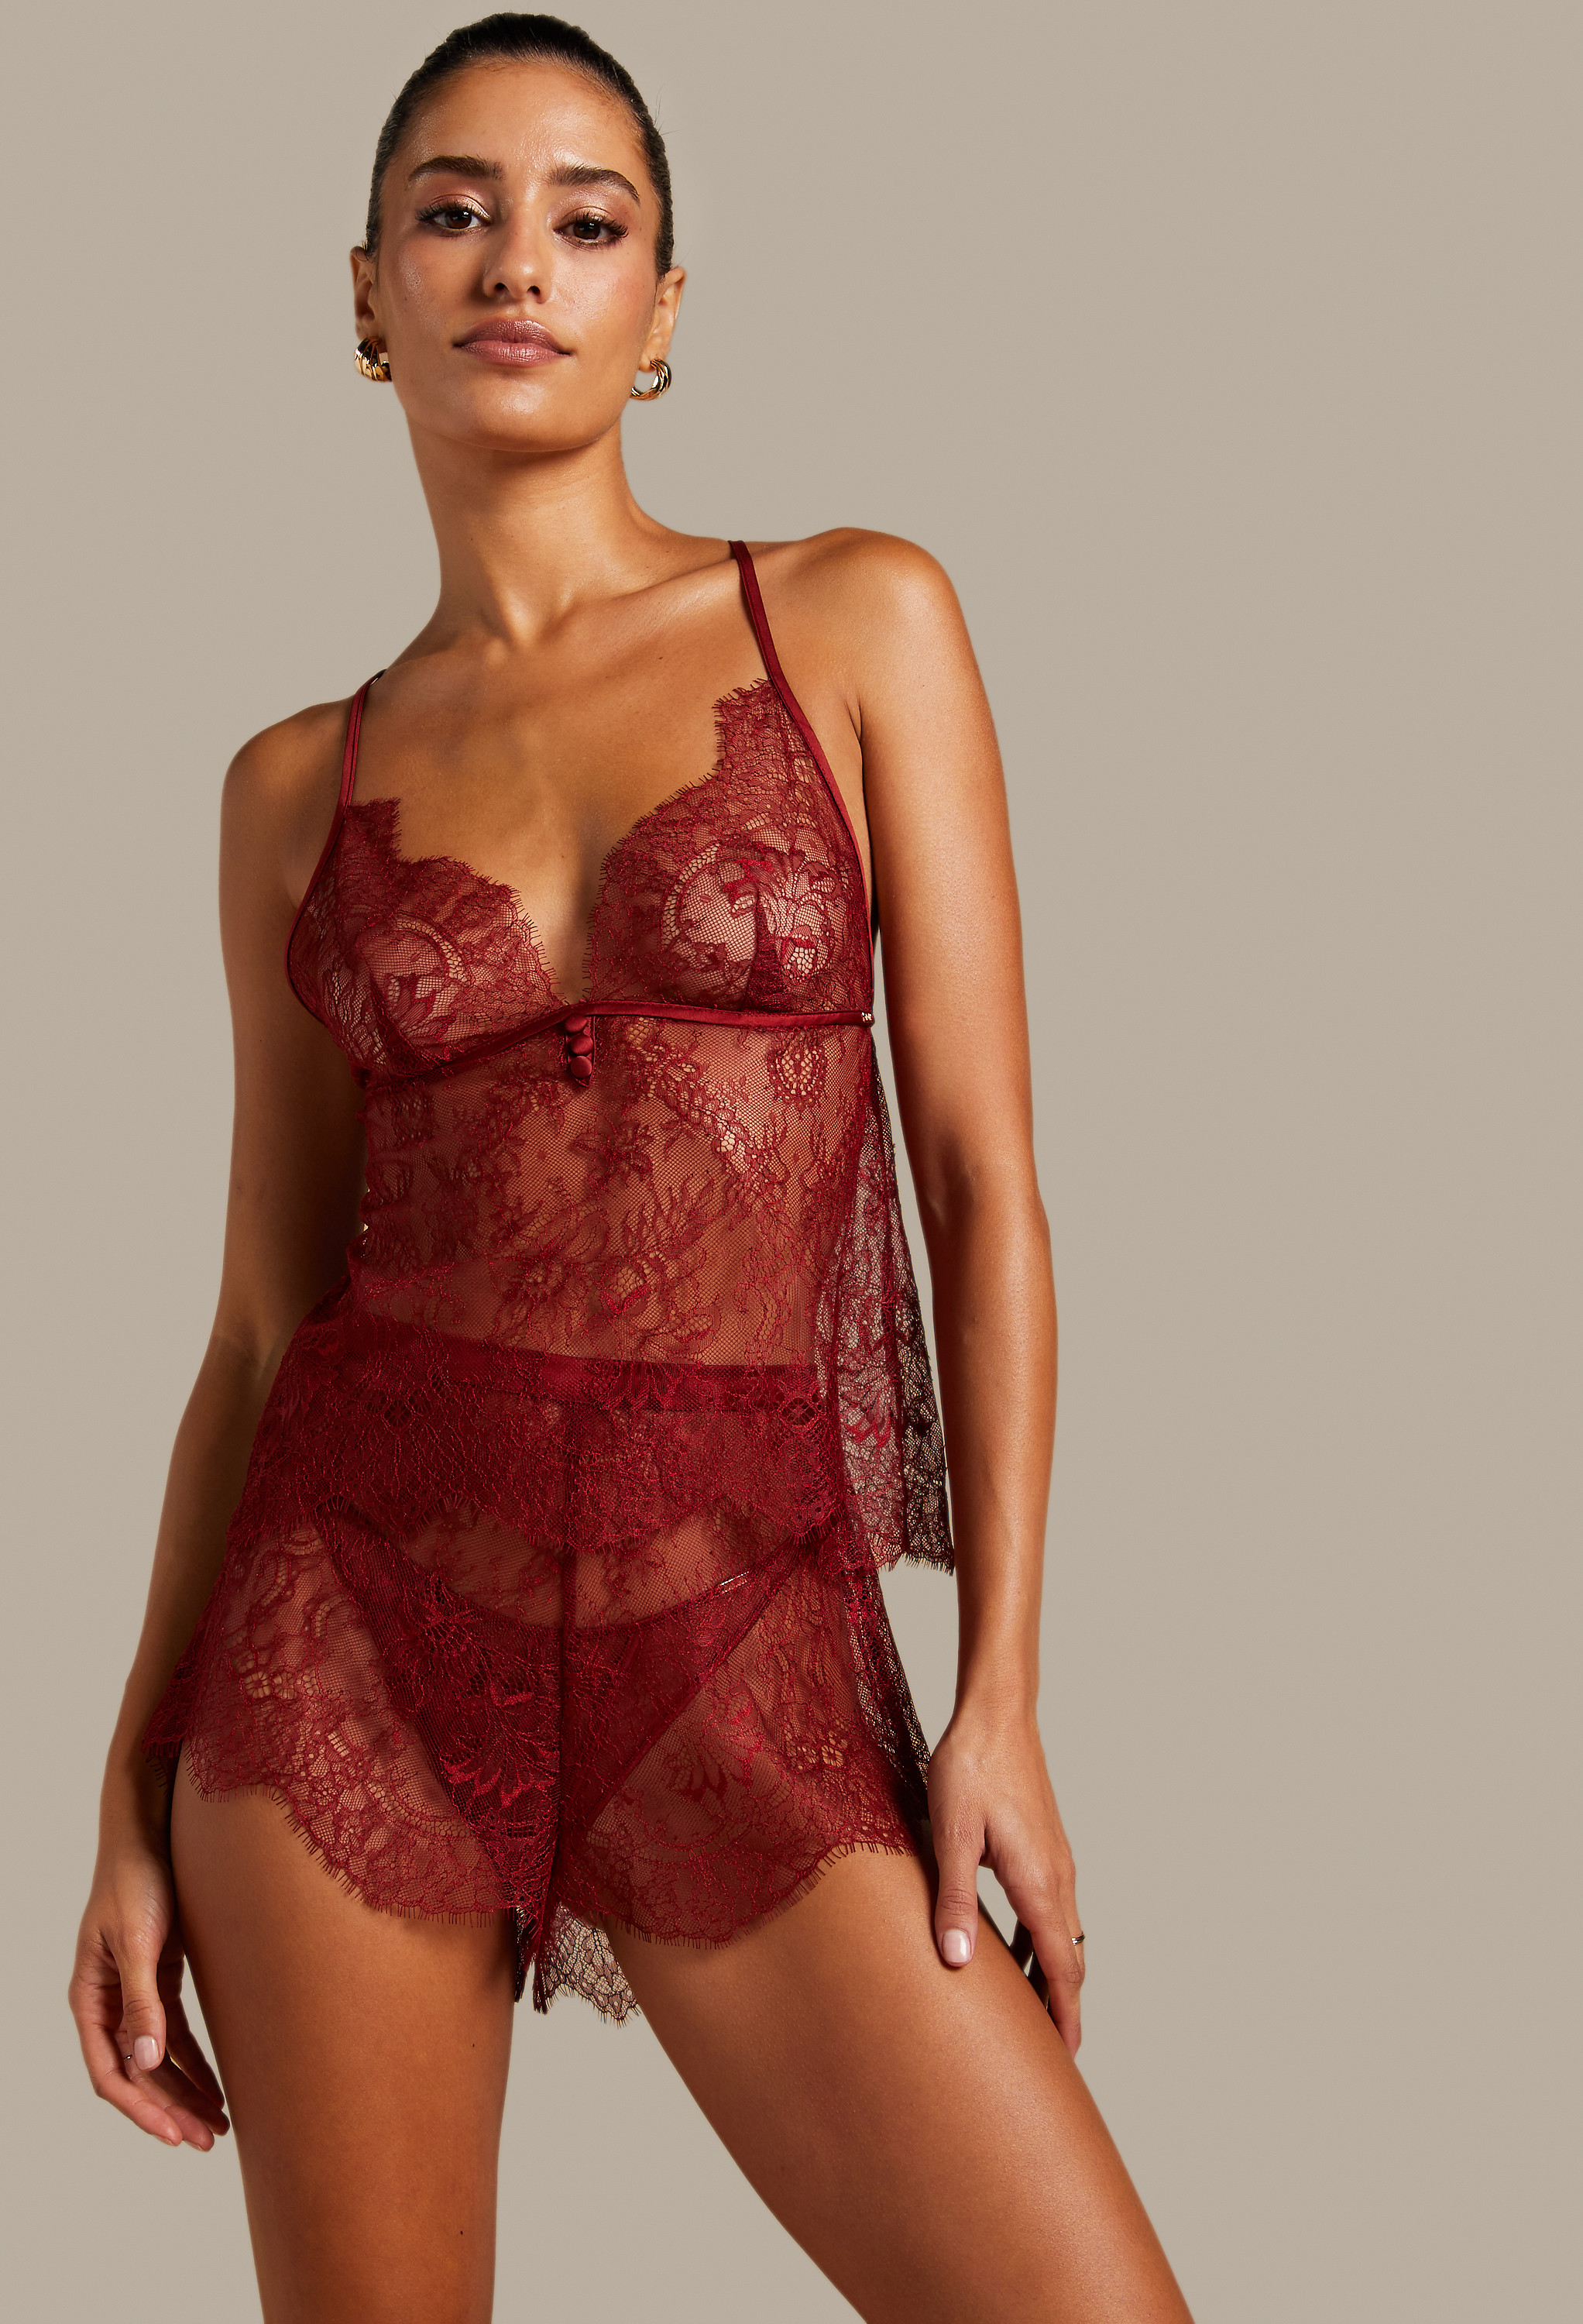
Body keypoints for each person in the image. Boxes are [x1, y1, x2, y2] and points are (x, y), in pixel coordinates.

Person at [69, 15, 1192, 2320]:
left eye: (588, 222)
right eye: (454, 211)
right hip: (343, 1638)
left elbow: (981, 1183)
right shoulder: (292, 788)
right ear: (366, 288)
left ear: (661, 305)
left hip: (731, 1622)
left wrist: (997, 1692)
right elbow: (267, 1322)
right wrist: (124, 1784)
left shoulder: (853, 616)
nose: (519, 264)